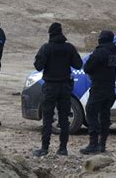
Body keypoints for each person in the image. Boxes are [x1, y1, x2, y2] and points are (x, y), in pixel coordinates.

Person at [32, 22, 83, 157]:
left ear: (50, 34)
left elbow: (38, 66)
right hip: (65, 87)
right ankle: (62, 148)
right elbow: (78, 65)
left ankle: (44, 148)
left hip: (50, 87)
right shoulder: (69, 48)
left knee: (47, 118)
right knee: (64, 119)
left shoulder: (46, 48)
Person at [80, 30, 116, 154]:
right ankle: (102, 145)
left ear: (101, 39)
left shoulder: (100, 52)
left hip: (99, 88)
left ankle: (93, 144)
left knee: (91, 113)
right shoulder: (115, 53)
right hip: (110, 89)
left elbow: (87, 67)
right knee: (104, 117)